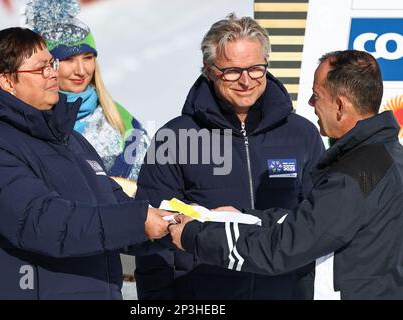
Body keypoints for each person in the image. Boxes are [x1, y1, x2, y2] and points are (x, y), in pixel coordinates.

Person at [0, 27, 170, 300]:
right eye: (41, 68)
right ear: (7, 81)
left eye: (51, 64)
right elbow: (41, 221)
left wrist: (179, 222)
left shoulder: (69, 140)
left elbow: (115, 209)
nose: (52, 73)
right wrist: (139, 220)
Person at [170, 50, 403, 300]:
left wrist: (194, 236)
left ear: (340, 105)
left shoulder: (358, 173)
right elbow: (313, 223)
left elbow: (282, 248)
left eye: (316, 96)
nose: (311, 104)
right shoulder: (387, 157)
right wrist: (240, 217)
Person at [134, 13, 325, 300]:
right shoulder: (174, 138)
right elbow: (152, 242)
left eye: (255, 68)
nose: (246, 81)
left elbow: (318, 224)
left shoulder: (302, 134)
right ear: (209, 70)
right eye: (232, 71)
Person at [26, 0, 149, 196]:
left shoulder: (119, 116)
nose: (81, 71)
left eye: (88, 57)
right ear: (48, 66)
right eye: (68, 60)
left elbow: (148, 170)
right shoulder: (34, 124)